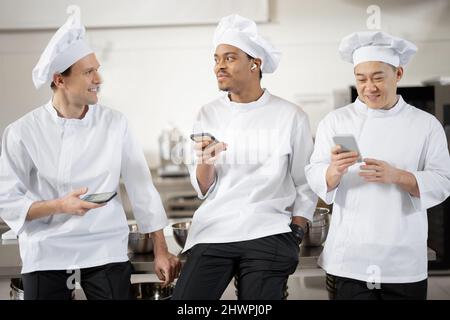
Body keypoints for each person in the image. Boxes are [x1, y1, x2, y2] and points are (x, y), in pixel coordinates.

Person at [0, 11, 180, 300]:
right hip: (46, 251)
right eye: (88, 72)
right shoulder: (22, 132)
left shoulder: (115, 123)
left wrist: (161, 248)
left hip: (104, 247)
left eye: (97, 69)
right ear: (60, 79)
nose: (99, 78)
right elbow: (7, 199)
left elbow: (142, 189)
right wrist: (59, 205)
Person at [172, 14, 317, 300]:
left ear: (255, 63)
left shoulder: (291, 116)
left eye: (229, 58)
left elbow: (305, 181)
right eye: (216, 59)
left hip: (268, 230)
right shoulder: (207, 113)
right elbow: (202, 188)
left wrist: (297, 230)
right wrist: (206, 161)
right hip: (214, 230)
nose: (219, 67)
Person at [305, 31, 450, 300]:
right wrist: (333, 170)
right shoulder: (336, 121)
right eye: (361, 79)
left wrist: (399, 176)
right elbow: (314, 172)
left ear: (398, 74)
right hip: (351, 258)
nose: (369, 87)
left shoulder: (425, 124)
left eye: (378, 77)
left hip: (403, 259)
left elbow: (443, 181)